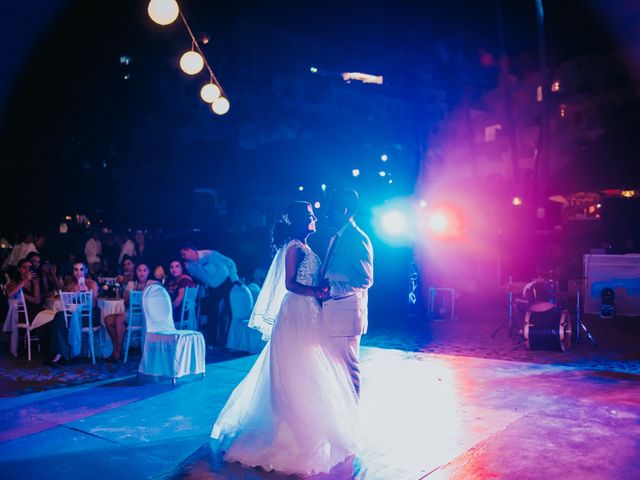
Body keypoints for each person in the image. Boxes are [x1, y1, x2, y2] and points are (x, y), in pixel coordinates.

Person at [211, 201, 358, 477]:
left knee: (312, 369)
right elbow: (290, 284)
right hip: (296, 311)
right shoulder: (293, 247)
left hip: (309, 310)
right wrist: (317, 292)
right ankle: (291, 434)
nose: (315, 218)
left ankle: (314, 426)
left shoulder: (304, 246)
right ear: (302, 220)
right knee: (297, 369)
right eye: (311, 216)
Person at [321, 189, 374, 397]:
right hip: (333, 316)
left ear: (343, 210)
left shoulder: (357, 238)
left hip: (346, 317)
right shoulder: (337, 237)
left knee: (348, 370)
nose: (326, 212)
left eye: (330, 208)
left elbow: (365, 279)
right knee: (334, 371)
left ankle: (351, 418)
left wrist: (331, 289)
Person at [180, 243, 240, 347]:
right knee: (212, 313)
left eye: (183, 254)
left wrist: (234, 280)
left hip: (226, 283)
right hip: (213, 288)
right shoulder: (191, 265)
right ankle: (214, 342)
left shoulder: (210, 254)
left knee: (231, 311)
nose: (183, 257)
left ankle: (232, 342)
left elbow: (229, 263)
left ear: (190, 250)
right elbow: (198, 277)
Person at [104, 263, 157, 362]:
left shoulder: (152, 284)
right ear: (136, 272)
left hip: (144, 316)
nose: (142, 273)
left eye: (144, 270)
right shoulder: (132, 284)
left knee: (120, 319)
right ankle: (117, 346)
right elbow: (126, 304)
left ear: (148, 272)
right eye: (139, 270)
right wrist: (130, 294)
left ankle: (118, 351)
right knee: (108, 320)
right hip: (130, 313)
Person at [49, 261, 99, 366]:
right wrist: (74, 293)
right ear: (73, 272)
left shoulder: (92, 284)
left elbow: (94, 305)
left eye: (81, 269)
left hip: (87, 316)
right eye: (76, 269)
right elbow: (66, 304)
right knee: (59, 317)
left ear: (85, 271)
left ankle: (61, 354)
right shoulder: (71, 285)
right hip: (72, 314)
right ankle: (60, 353)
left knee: (60, 318)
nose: (78, 272)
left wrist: (87, 293)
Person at [166, 260, 196, 324]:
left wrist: (168, 310)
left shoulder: (184, 280)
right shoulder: (172, 281)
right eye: (171, 267)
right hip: (177, 311)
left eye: (177, 266)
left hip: (182, 313)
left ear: (181, 268)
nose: (174, 269)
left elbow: (179, 299)